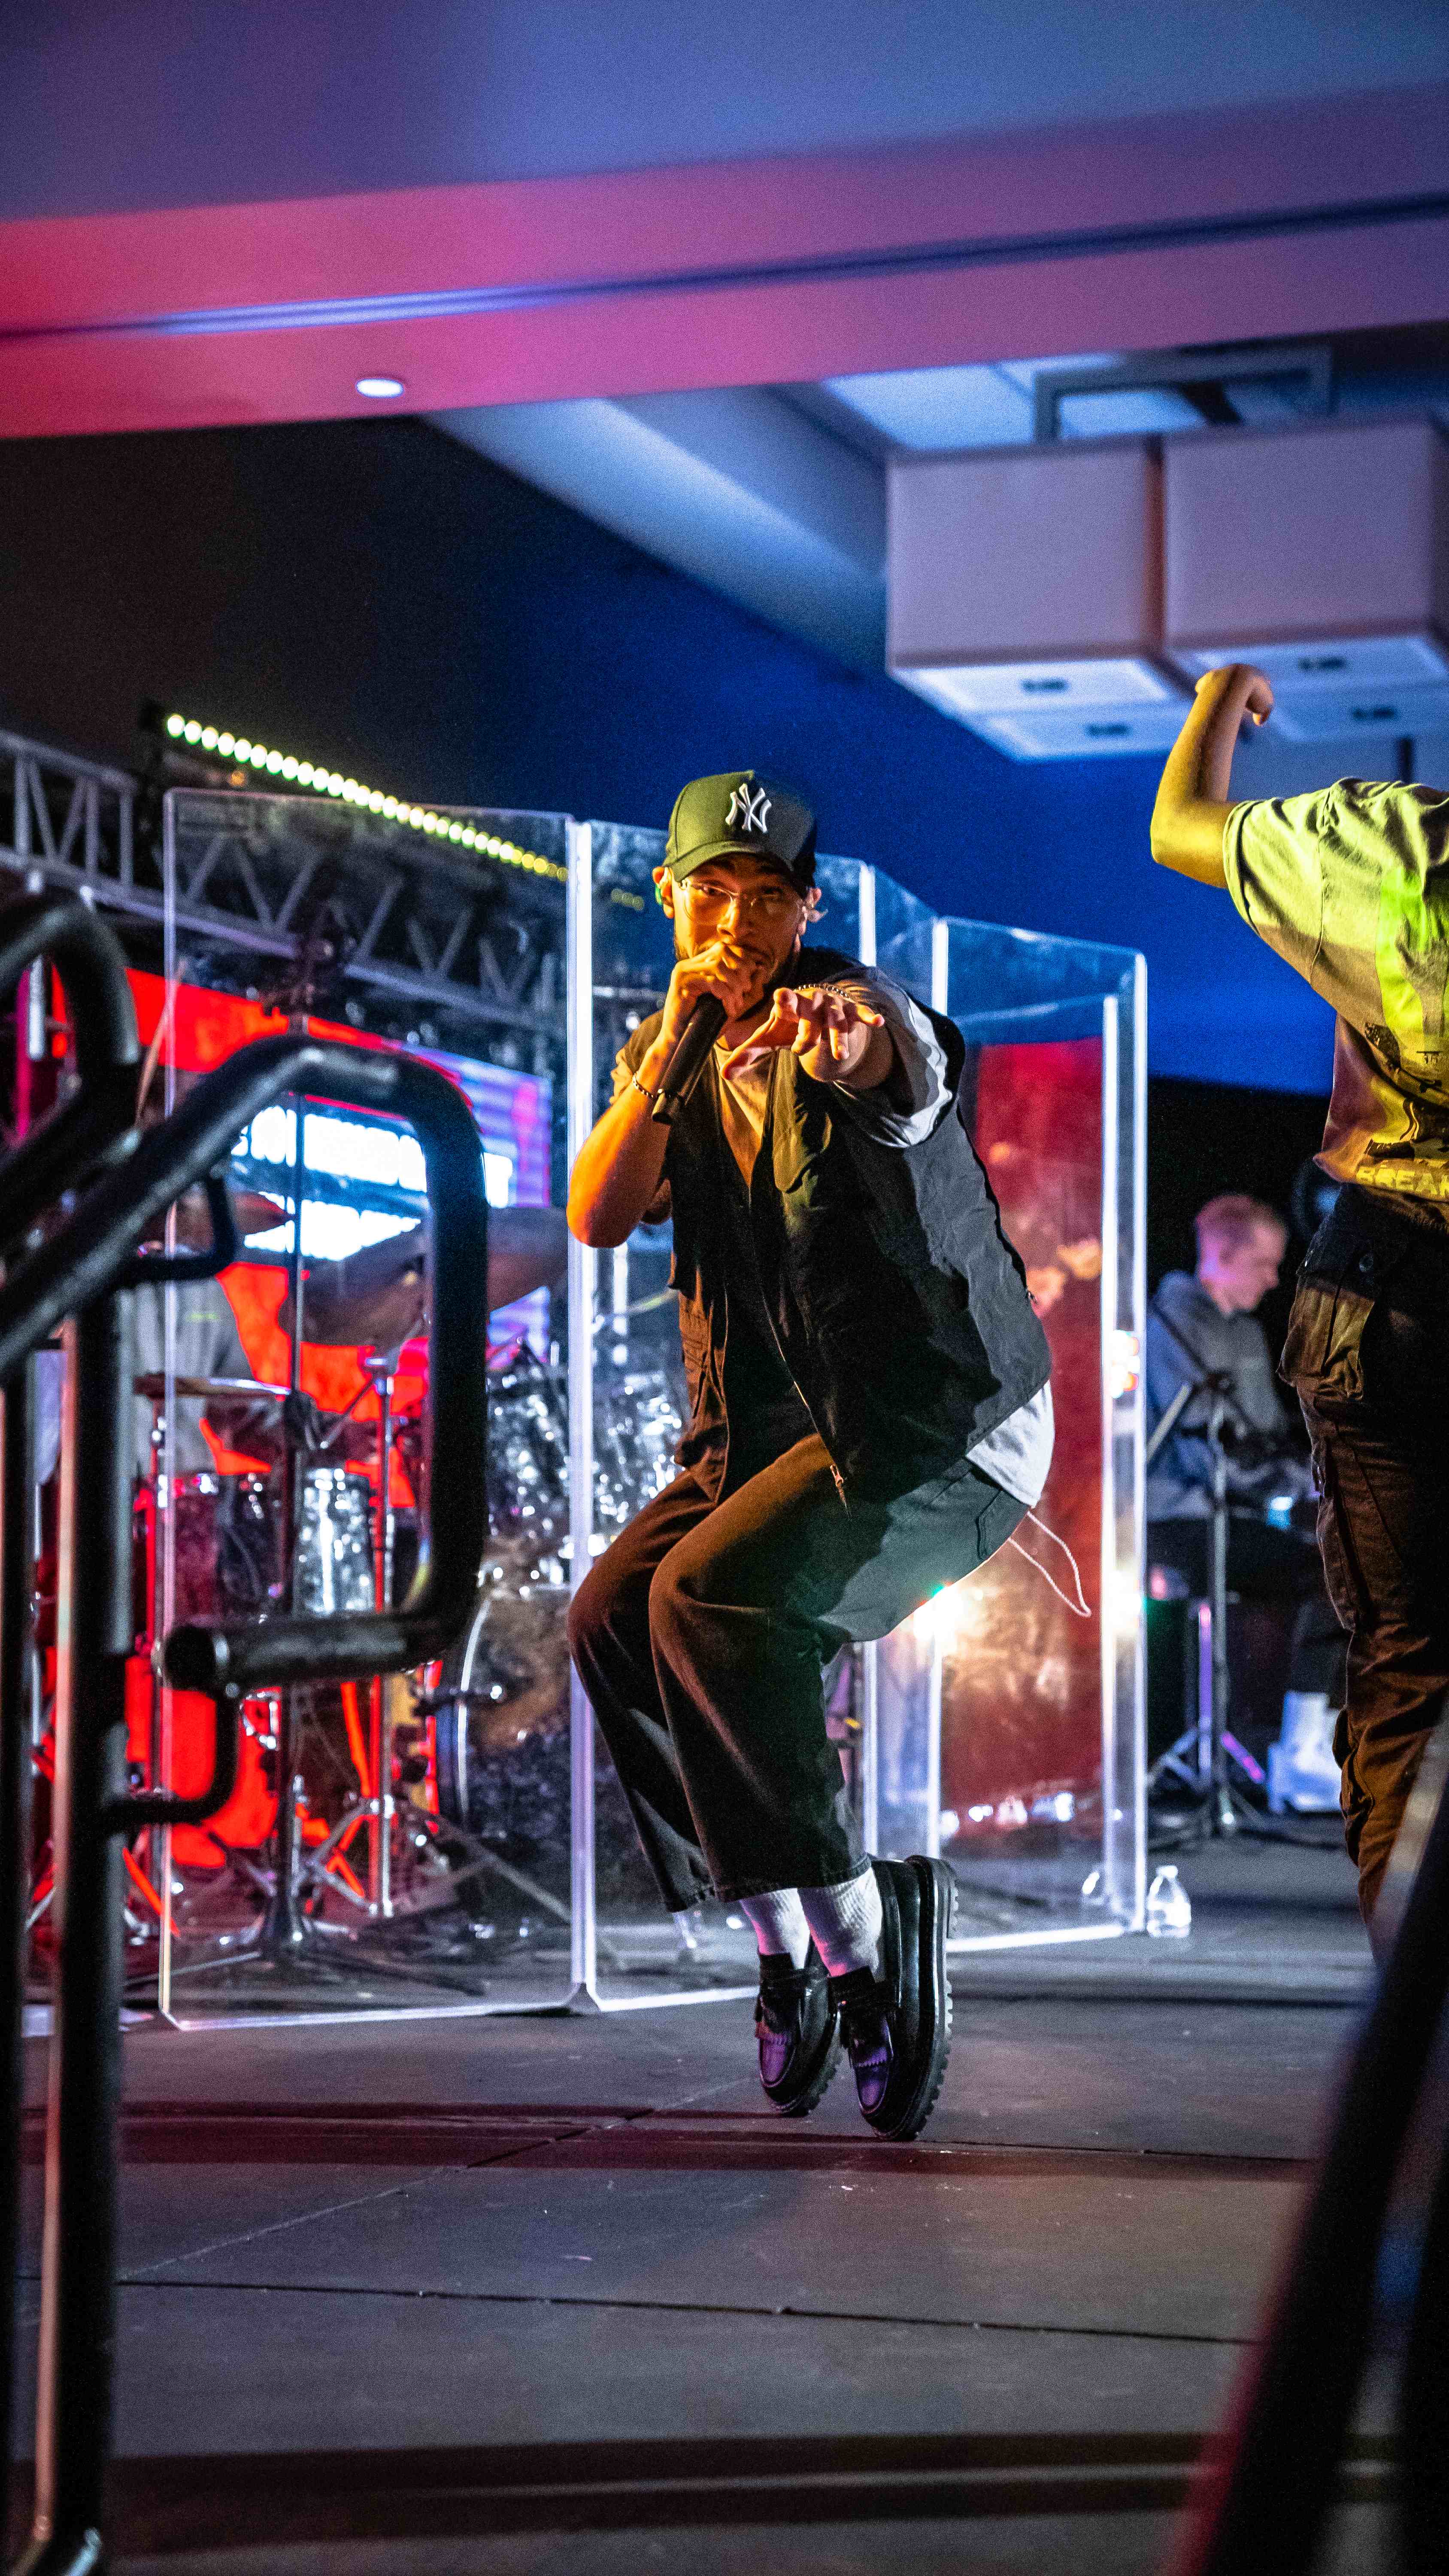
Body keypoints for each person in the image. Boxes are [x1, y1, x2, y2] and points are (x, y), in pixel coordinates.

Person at [566, 770, 1052, 2140]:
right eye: (710, 894)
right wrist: (669, 1040)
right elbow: (603, 1214)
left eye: (768, 899)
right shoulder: (670, 1051)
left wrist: (860, 1052)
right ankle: (785, 1950)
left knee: (707, 1603)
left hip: (933, 1431)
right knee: (615, 1619)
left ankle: (865, 1943)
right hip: (765, 1443)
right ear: (667, 898)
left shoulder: (854, 1008)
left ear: (808, 909)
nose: (738, 924)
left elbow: (911, 1068)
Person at [1151, 664, 1449, 1938]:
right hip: (1379, 1305)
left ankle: (1416, 2063)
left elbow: (1180, 828)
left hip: (1386, 1284)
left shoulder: (1397, 841)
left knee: (1404, 1672)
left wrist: (1220, 696)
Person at [1146, 1193, 1344, 1808]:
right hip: (1178, 1520)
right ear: (1225, 1253)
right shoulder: (1168, 1321)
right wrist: (1283, 1487)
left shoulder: (1252, 1336)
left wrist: (1310, 1480)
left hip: (1237, 1513)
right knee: (1325, 1574)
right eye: (1263, 1262)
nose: (1273, 1278)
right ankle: (1298, 1755)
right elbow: (1203, 1453)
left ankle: (1310, 1745)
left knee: (1350, 1568)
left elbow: (1262, 1442)